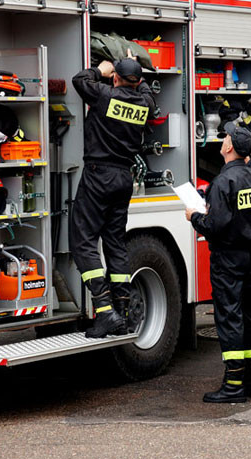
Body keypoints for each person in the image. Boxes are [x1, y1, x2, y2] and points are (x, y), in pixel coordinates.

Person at [186, 123, 251, 403]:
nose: (223, 139)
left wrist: (194, 217)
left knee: (229, 316)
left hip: (227, 258)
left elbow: (215, 226)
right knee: (250, 313)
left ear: (228, 147)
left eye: (225, 137)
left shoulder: (223, 182)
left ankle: (234, 384)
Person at [71, 52, 156, 338]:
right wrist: (133, 70)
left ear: (115, 78)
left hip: (99, 175)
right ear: (139, 80)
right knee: (115, 243)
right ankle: (124, 311)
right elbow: (146, 92)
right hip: (124, 178)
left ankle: (105, 311)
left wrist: (100, 69)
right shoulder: (145, 102)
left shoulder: (105, 95)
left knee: (82, 242)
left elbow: (79, 80)